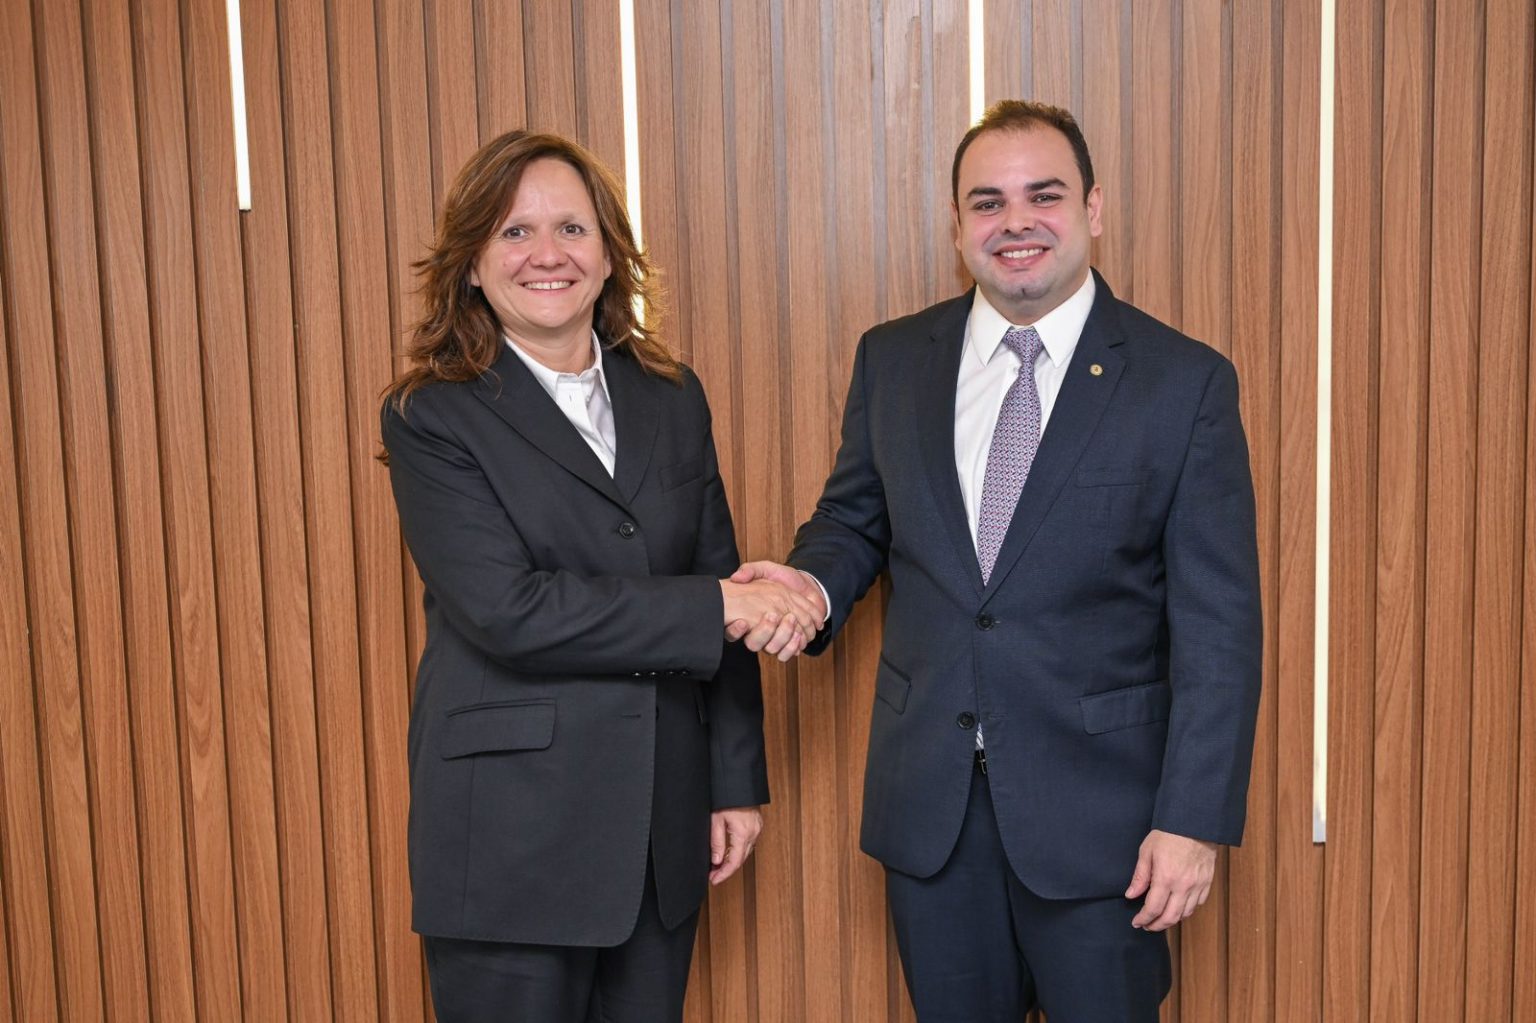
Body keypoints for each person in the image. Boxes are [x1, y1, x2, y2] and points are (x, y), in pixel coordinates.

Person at [732, 100, 1262, 1021]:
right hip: (931, 815)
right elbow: (855, 521)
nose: (1015, 222)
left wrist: (1192, 820)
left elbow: (1219, 629)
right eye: (988, 202)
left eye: (1043, 195)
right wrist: (809, 587)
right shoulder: (893, 359)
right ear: (958, 225)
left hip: (1107, 829)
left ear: (1093, 208)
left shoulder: (1185, 384)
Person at [381, 129, 819, 1023]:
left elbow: (714, 573)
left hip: (662, 827)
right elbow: (512, 610)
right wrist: (725, 603)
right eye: (514, 233)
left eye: (573, 229)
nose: (547, 254)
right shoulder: (431, 415)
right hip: (510, 839)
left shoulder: (671, 394)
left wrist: (732, 779)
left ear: (611, 254)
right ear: (469, 263)